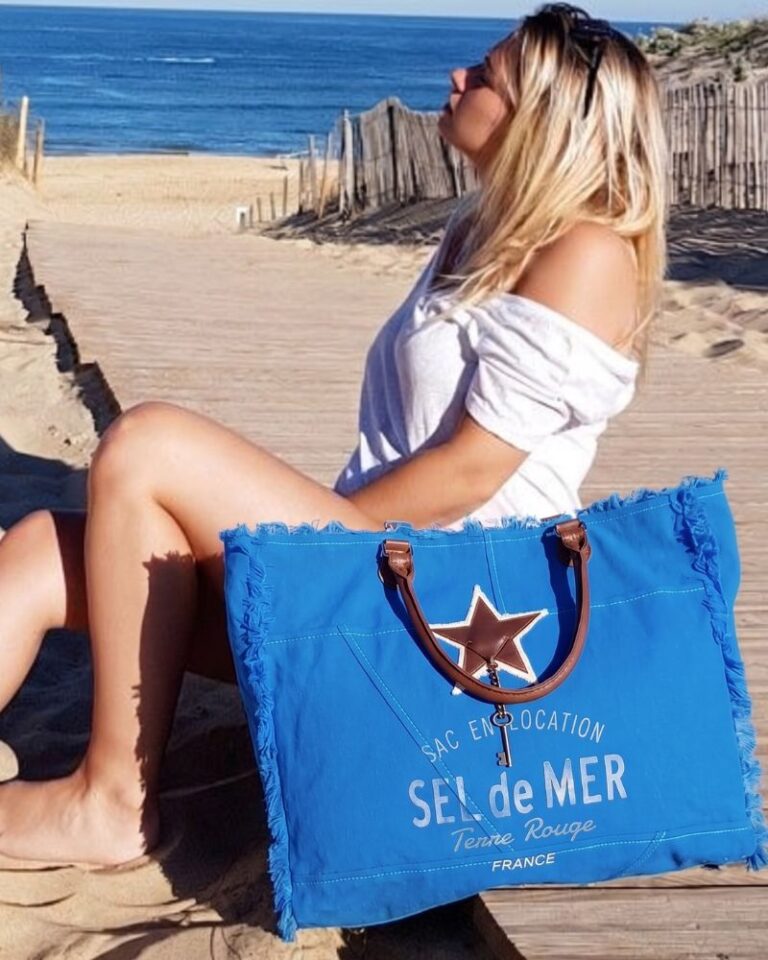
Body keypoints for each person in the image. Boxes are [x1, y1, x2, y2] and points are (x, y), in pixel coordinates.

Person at [0, 2, 667, 866]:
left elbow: (470, 470)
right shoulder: (482, 230)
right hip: (383, 578)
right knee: (43, 548)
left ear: (543, 117)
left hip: (458, 624)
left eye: (487, 75)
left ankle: (111, 805)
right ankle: (108, 794)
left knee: (144, 445)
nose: (456, 76)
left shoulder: (590, 253)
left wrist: (304, 549)